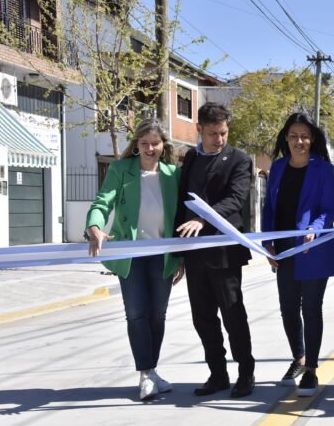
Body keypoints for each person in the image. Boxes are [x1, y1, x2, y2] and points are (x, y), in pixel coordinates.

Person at [85, 118, 184, 400]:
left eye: (155, 143)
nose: (150, 148)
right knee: (136, 313)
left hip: (162, 255)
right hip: (131, 255)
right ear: (136, 145)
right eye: (144, 143)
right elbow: (103, 202)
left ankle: (151, 370)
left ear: (163, 145)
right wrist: (95, 227)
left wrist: (182, 257)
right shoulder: (120, 169)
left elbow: (180, 217)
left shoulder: (173, 174)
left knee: (158, 315)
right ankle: (146, 373)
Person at [175, 102, 256, 398]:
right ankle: (217, 374)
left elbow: (236, 198)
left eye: (223, 133)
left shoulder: (239, 160)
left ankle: (245, 373)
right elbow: (181, 202)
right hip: (195, 253)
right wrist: (178, 252)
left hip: (224, 253)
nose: (219, 139)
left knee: (233, 315)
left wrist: (202, 219)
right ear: (199, 129)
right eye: (212, 133)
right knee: (203, 317)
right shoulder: (191, 158)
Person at [261, 112, 334, 396]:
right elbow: (269, 208)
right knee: (287, 308)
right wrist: (267, 242)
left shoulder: (323, 170)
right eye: (294, 136)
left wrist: (314, 229)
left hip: (312, 248)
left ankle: (311, 370)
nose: (299, 141)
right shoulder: (278, 167)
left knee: (310, 308)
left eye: (305, 137)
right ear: (286, 138)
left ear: (312, 139)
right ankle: (299, 357)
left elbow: (327, 210)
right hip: (284, 249)